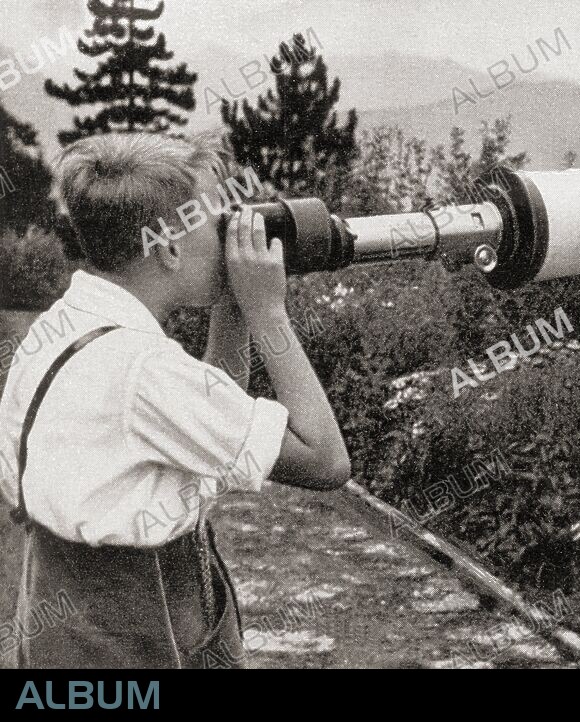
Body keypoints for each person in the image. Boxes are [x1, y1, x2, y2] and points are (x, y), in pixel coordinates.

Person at [0, 132, 350, 668]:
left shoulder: (67, 324)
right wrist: (267, 311)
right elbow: (326, 460)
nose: (232, 233)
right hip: (140, 619)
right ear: (168, 248)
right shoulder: (146, 372)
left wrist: (232, 305)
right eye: (217, 222)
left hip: (60, 608)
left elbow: (209, 414)